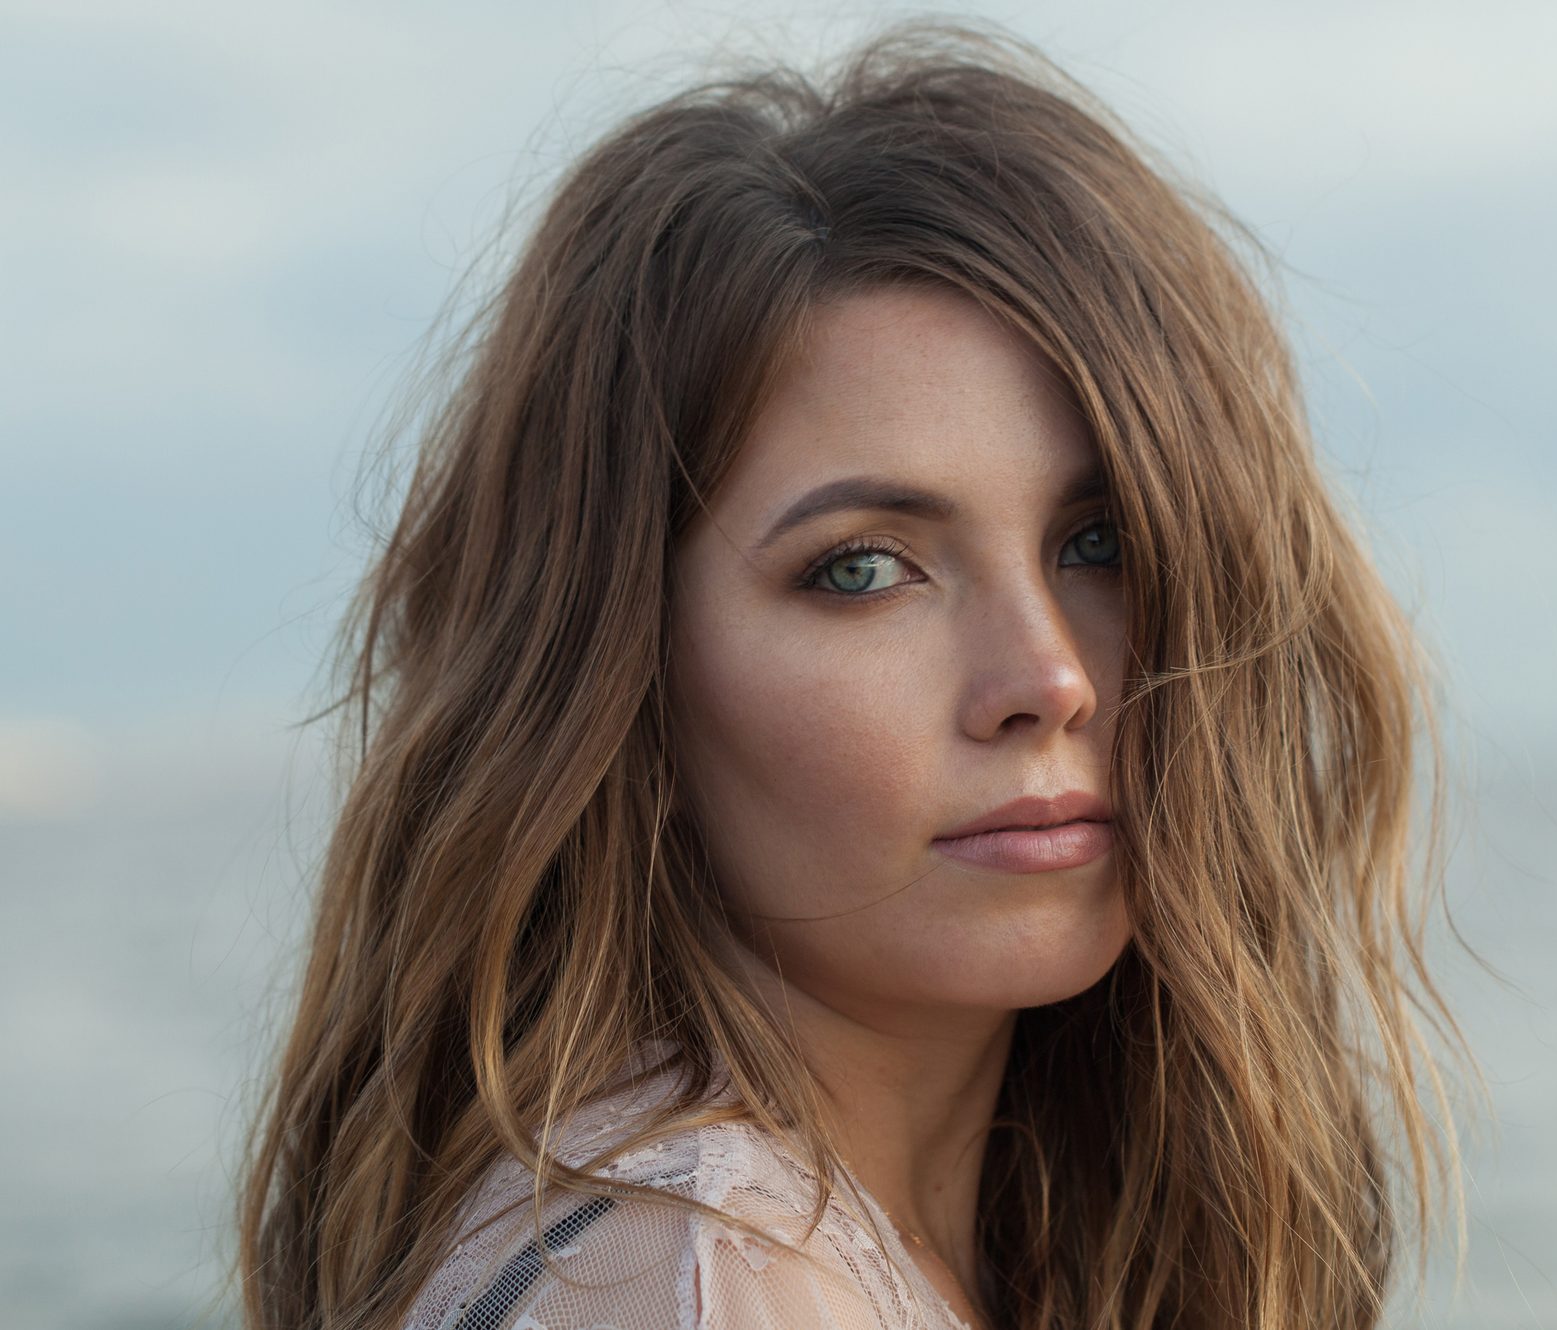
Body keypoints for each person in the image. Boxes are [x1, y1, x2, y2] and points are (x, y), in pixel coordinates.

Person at [237, 18, 1472, 1330]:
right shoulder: (704, 1274)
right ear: (624, 676)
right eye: (864, 569)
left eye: (1100, 543)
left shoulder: (930, 1248)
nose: (1048, 677)